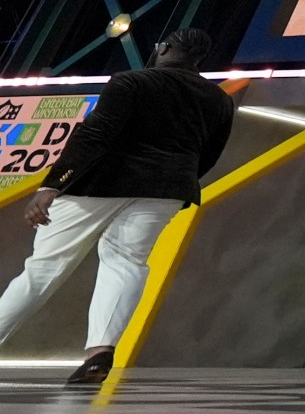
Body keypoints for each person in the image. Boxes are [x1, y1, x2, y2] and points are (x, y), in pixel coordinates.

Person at [0, 28, 238, 385]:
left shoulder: (130, 82)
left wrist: (52, 185)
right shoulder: (218, 99)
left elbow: (95, 134)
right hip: (166, 189)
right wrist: (170, 180)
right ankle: (100, 352)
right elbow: (209, 154)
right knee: (127, 263)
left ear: (165, 48)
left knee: (44, 268)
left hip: (100, 185)